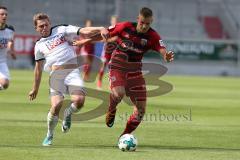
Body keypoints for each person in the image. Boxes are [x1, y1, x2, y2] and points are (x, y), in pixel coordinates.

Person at [28, 13, 108, 146]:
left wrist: (100, 28)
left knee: (80, 101)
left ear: (50, 23)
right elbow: (38, 68)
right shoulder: (39, 46)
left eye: (46, 24)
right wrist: (34, 88)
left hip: (72, 72)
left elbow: (83, 30)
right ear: (36, 28)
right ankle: (49, 134)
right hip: (56, 76)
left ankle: (68, 113)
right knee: (56, 105)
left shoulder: (61, 29)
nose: (44, 27)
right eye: (41, 26)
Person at [105, 7, 174, 137]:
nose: (144, 26)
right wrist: (86, 39)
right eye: (142, 22)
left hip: (135, 70)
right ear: (138, 19)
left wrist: (166, 56)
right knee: (119, 93)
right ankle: (111, 109)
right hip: (118, 66)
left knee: (141, 110)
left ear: (151, 21)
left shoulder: (153, 36)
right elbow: (105, 32)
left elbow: (162, 48)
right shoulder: (125, 26)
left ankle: (124, 136)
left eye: (147, 23)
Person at [97, 15, 118, 89]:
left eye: (116, 20)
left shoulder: (118, 30)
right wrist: (108, 39)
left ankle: (112, 84)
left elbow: (117, 39)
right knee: (103, 66)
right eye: (113, 20)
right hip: (106, 51)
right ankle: (99, 81)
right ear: (111, 21)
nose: (114, 22)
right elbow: (103, 39)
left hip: (113, 51)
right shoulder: (107, 29)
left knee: (112, 69)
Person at [0, 6, 16, 91]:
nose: (4, 16)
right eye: (2, 14)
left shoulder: (10, 29)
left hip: (2, 62)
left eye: (6, 14)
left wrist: (11, 51)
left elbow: (10, 41)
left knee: (5, 84)